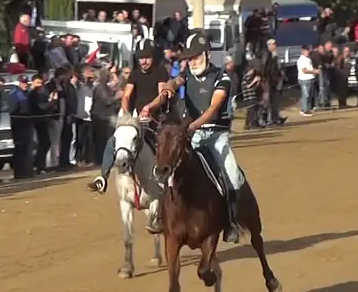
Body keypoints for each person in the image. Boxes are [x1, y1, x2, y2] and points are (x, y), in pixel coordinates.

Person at [140, 30, 242, 244]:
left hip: (216, 135)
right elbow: (173, 85)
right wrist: (154, 102)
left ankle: (231, 222)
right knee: (168, 166)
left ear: (206, 54)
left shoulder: (222, 78)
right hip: (191, 134)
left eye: (196, 57)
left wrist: (192, 126)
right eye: (189, 58)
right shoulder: (186, 75)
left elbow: (213, 108)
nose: (192, 62)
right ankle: (162, 216)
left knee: (231, 175)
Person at [86, 39, 169, 193]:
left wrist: (150, 108)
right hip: (136, 118)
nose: (143, 61)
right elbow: (126, 95)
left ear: (153, 57)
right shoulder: (135, 73)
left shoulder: (160, 72)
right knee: (115, 139)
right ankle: (103, 177)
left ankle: (165, 179)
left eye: (147, 57)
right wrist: (126, 114)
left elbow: (162, 94)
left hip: (157, 118)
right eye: (141, 57)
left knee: (163, 144)